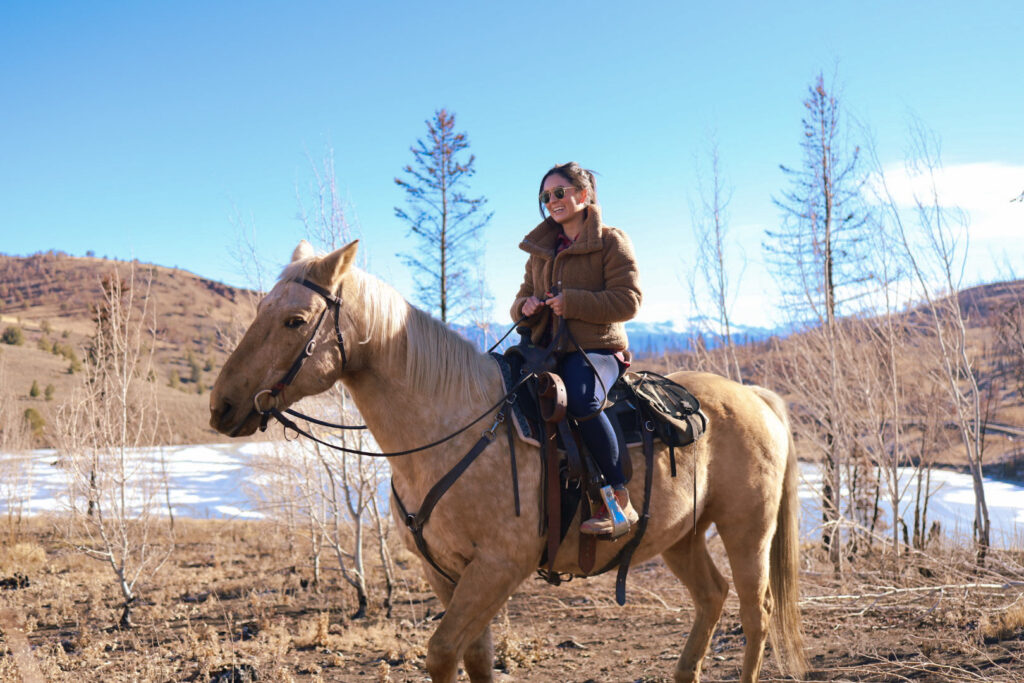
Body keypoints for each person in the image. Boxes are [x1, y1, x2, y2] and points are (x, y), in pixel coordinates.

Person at [511, 162, 643, 535]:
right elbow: (520, 298)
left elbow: (629, 301)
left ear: (583, 195)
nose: (552, 201)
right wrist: (526, 308)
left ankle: (618, 499)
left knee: (581, 399)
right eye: (545, 196)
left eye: (559, 193)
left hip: (597, 350)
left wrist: (573, 303)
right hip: (545, 350)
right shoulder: (539, 250)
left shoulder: (611, 241)